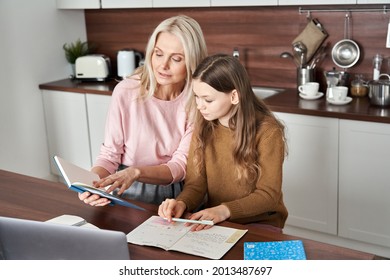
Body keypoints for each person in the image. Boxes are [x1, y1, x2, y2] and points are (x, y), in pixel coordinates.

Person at [79, 15, 208, 206]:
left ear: (192, 61)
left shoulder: (197, 100)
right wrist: (92, 184)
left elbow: (180, 166)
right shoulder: (126, 91)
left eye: (176, 58)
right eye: (158, 53)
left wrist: (137, 172)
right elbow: (109, 155)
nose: (163, 66)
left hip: (176, 193)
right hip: (126, 186)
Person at [158, 54, 288, 232]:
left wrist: (225, 210)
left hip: (260, 223)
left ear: (234, 96)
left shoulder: (267, 132)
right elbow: (196, 184)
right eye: (197, 97)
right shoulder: (203, 126)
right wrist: (182, 202)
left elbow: (268, 196)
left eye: (208, 99)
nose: (200, 106)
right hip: (219, 220)